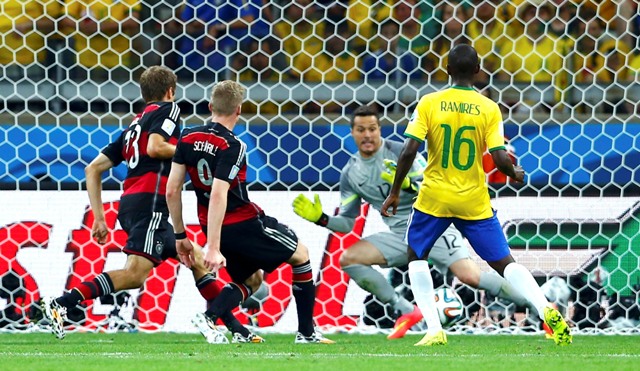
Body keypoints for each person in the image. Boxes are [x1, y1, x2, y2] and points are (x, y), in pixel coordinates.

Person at [40, 66, 256, 343]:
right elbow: (156, 147)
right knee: (134, 275)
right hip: (150, 204)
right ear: (170, 92)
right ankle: (62, 302)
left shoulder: (136, 124)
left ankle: (235, 329)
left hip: (133, 205)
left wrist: (99, 218)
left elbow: (93, 169)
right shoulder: (169, 110)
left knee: (196, 259)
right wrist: (190, 151)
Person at [380, 44, 572, 346]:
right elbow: (498, 157)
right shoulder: (488, 107)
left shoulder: (430, 102)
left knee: (416, 256)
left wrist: (394, 192)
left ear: (446, 70)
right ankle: (545, 308)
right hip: (474, 199)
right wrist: (515, 173)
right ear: (478, 71)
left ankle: (433, 329)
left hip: (435, 197)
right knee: (504, 263)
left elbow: (409, 149)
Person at [292, 105, 530, 340]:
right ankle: (408, 311)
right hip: (399, 235)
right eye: (361, 130)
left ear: (379, 131)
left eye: (372, 129)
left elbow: (432, 185)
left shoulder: (400, 152)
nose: (367, 135)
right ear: (352, 133)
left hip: (431, 224)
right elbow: (347, 223)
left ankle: (537, 303)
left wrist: (406, 185)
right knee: (350, 259)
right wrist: (321, 219)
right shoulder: (350, 173)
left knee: (470, 276)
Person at [165, 80, 334, 344]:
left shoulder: (187, 136)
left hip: (212, 225)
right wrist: (212, 247)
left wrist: (180, 235)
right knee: (301, 255)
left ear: (210, 106)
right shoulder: (233, 146)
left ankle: (210, 316)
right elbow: (220, 194)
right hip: (242, 222)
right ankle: (306, 333)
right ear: (239, 110)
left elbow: (172, 190)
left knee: (252, 279)